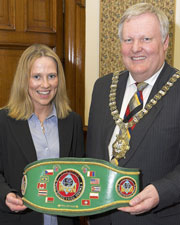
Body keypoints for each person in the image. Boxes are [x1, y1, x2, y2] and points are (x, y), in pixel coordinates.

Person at [86, 2, 180, 225]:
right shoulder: (102, 87)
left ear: (165, 42)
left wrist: (161, 191)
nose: (136, 47)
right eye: (128, 40)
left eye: (146, 39)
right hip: (101, 218)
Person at [0, 44, 84, 225]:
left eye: (51, 76)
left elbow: (80, 174)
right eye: (37, 77)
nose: (45, 85)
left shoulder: (73, 122)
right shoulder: (3, 121)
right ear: (24, 80)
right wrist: (5, 195)